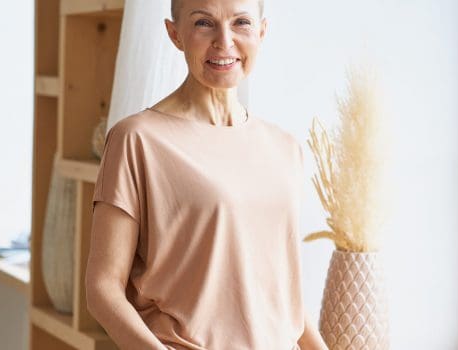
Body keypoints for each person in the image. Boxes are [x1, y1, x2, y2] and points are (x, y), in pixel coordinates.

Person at [85, 0, 329, 349]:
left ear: (261, 32)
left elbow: (279, 294)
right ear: (175, 34)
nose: (224, 41)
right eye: (204, 23)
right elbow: (102, 289)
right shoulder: (137, 139)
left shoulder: (285, 148)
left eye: (241, 22)